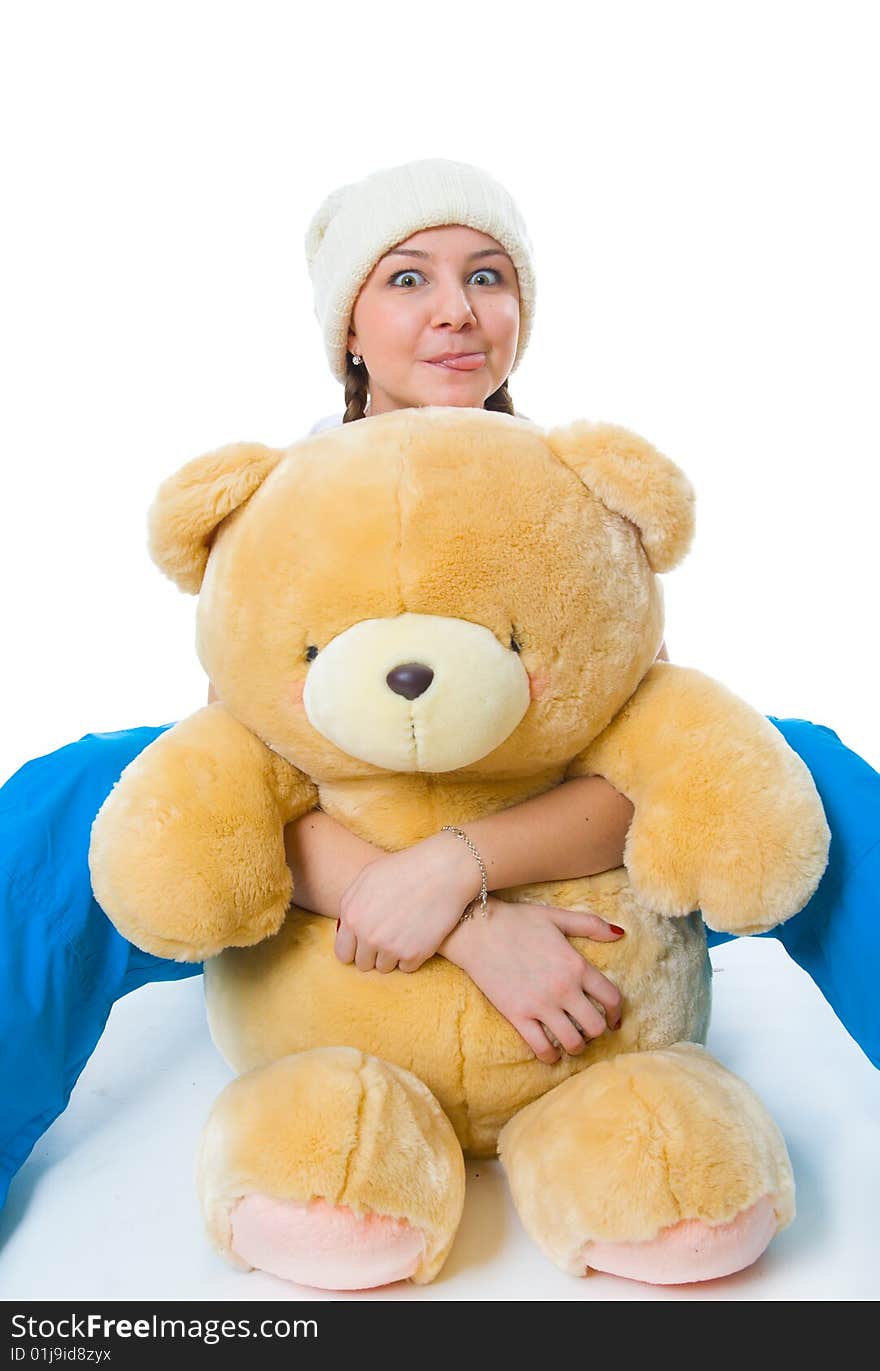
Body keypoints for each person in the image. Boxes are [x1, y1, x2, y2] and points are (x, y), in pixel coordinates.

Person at [1, 160, 877, 1220]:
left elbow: (638, 743)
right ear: (350, 331)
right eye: (409, 279)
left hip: (557, 852)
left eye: (489, 276)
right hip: (348, 857)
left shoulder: (561, 483)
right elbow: (253, 771)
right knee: (77, 794)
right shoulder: (290, 499)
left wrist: (464, 865)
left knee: (803, 768)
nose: (458, 311)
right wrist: (461, 922)